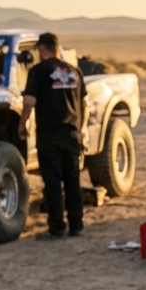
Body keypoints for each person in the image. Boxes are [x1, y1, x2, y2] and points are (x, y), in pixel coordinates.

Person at [18, 32, 86, 238]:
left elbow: (29, 101)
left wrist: (22, 124)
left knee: (53, 183)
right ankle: (77, 226)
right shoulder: (74, 71)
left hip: (50, 134)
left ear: (41, 49)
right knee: (73, 181)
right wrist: (80, 129)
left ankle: (57, 228)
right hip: (72, 133)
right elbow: (83, 104)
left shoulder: (38, 71)